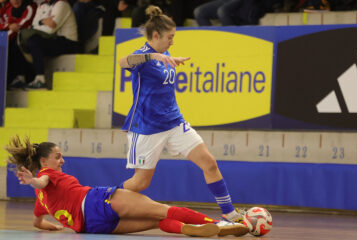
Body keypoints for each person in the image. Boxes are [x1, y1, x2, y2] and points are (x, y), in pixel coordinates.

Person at [118, 5, 243, 223]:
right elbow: (122, 62)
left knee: (209, 163)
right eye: (170, 36)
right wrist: (152, 56)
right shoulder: (143, 57)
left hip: (174, 123)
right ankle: (105, 200)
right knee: (140, 183)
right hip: (146, 127)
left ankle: (229, 212)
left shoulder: (164, 54)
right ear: (156, 35)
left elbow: (162, 64)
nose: (172, 41)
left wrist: (168, 59)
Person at [5, 135, 249, 236]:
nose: (62, 160)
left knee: (156, 221)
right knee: (164, 210)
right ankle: (218, 224)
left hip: (91, 227)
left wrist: (55, 227)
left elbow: (37, 222)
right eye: (58, 156)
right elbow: (42, 180)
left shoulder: (41, 199)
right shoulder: (47, 175)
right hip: (96, 202)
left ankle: (188, 229)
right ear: (43, 161)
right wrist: (33, 180)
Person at [18, 0, 81, 89]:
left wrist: (40, 23)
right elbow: (33, 26)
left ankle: (40, 79)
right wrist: (43, 21)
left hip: (69, 43)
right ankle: (21, 78)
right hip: (54, 39)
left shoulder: (62, 4)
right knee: (24, 40)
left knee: (34, 41)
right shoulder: (42, 6)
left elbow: (50, 30)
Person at [0, 0, 36, 89]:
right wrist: (7, 26)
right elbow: (9, 26)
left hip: (29, 43)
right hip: (11, 39)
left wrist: (3, 38)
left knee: (15, 43)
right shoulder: (7, 8)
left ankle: (20, 78)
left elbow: (18, 27)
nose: (15, 0)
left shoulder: (30, 7)